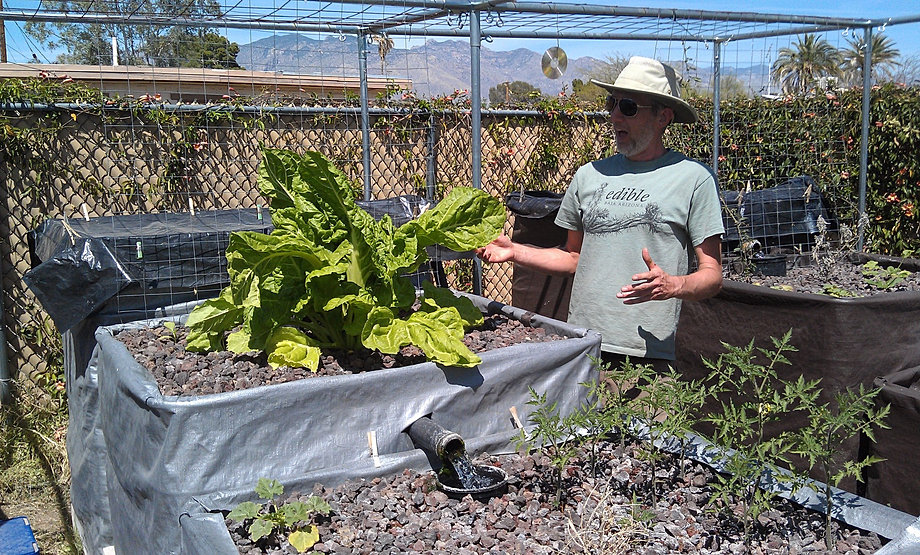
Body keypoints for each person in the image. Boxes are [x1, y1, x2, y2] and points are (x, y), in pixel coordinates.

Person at [478, 56, 724, 372]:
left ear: (663, 117)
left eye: (629, 107)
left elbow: (712, 275)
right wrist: (515, 251)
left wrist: (673, 285)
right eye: (612, 103)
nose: (614, 115)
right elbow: (573, 257)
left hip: (647, 358)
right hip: (583, 347)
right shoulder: (589, 175)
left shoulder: (693, 179)